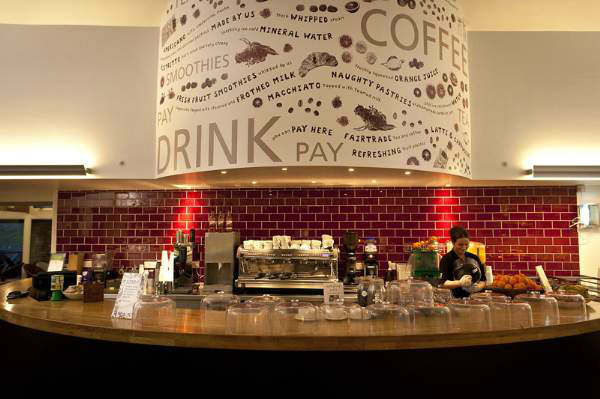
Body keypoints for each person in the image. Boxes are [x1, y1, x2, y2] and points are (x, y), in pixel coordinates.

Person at [439, 226, 486, 298]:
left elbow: (483, 280)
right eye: (460, 244)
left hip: (474, 300)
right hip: (454, 300)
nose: (464, 247)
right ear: (453, 242)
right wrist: (460, 283)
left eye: (466, 244)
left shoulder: (474, 258)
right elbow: (442, 283)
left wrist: (477, 287)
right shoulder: (447, 259)